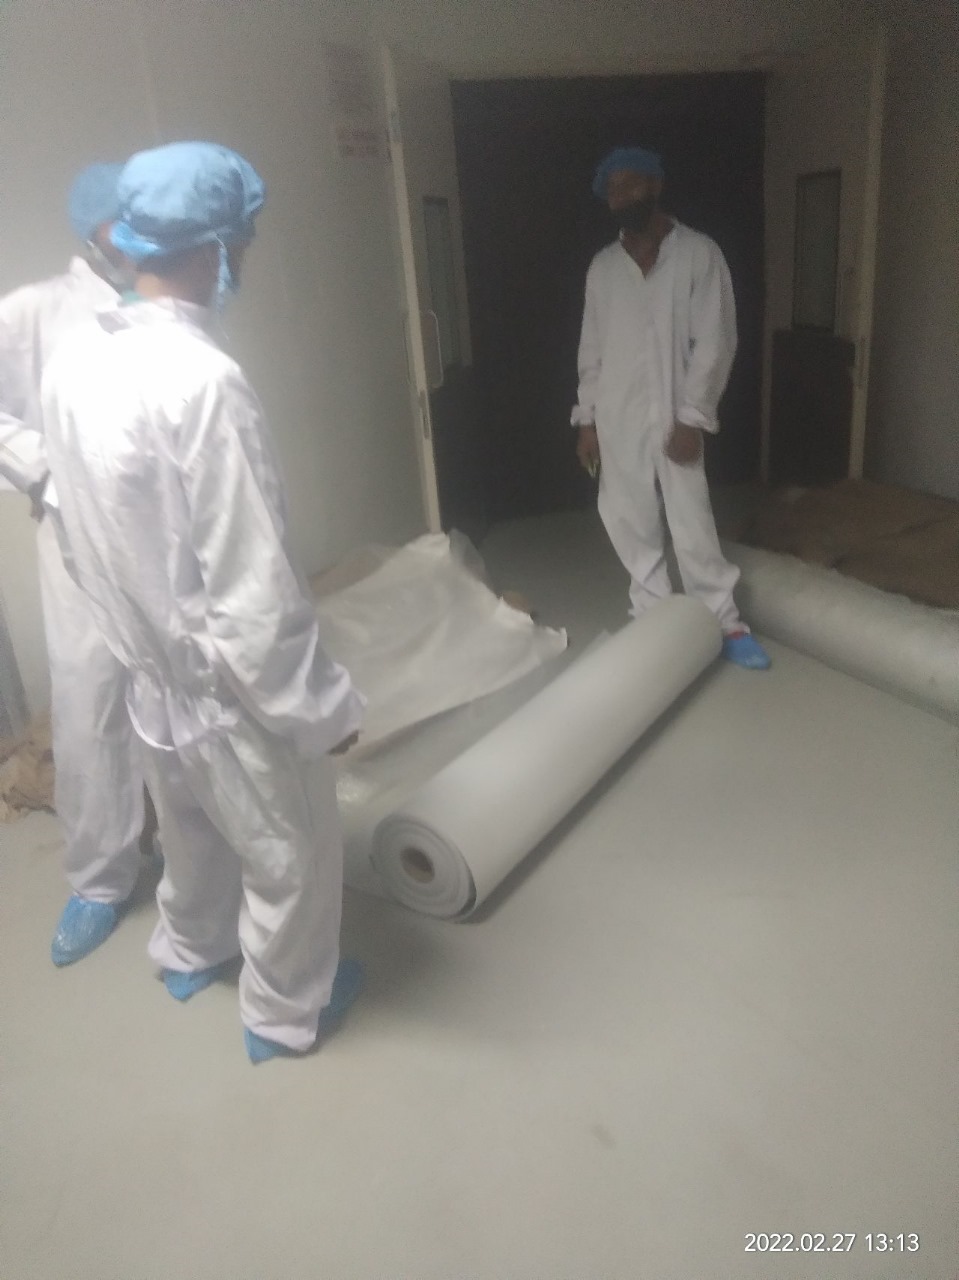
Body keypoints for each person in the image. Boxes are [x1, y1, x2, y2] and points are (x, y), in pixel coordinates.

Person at [40, 141, 366, 1063]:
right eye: (242, 242)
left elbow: (80, 534)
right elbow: (253, 583)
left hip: (151, 672)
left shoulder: (75, 358)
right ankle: (282, 1010)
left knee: (189, 832)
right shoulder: (203, 381)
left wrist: (139, 640)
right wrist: (318, 708)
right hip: (227, 687)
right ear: (218, 248)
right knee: (291, 851)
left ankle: (189, 949)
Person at [0, 163, 154, 965]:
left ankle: (199, 853)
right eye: (124, 221)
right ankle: (99, 878)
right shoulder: (33, 311)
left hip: (162, 536)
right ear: (94, 226)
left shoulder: (167, 306)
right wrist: (44, 472)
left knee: (183, 696)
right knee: (91, 703)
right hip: (76, 542)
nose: (138, 238)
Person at [572, 146, 770, 669]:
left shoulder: (699, 254)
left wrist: (692, 416)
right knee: (627, 515)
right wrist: (587, 420)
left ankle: (724, 621)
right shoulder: (603, 269)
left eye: (631, 184)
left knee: (691, 517)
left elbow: (716, 341)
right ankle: (653, 613)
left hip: (676, 412)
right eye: (613, 191)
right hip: (617, 414)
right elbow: (591, 349)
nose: (622, 197)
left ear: (656, 186)